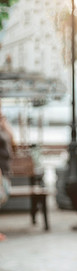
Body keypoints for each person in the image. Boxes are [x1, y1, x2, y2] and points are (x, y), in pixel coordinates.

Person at [0, 99, 15, 241]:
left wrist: (3, 120)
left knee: (3, 196)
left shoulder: (2, 124)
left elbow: (12, 138)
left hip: (5, 168)